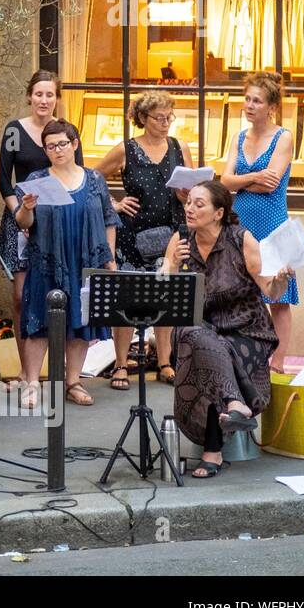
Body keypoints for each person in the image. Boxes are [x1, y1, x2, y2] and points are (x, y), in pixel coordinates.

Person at [160, 181, 293, 478]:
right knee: (197, 336)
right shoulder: (180, 240)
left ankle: (213, 452)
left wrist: (282, 278)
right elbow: (163, 299)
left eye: (199, 204)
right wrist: (171, 267)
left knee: (209, 351)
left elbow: (270, 289)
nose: (190, 209)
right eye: (188, 202)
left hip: (246, 330)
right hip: (197, 327)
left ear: (219, 212)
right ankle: (235, 403)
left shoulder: (241, 239)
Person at [15, 119, 119, 409]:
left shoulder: (95, 179)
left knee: (81, 322)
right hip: (48, 258)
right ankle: (32, 381)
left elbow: (110, 221)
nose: (57, 150)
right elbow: (23, 224)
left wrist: (108, 260)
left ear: (74, 144)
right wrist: (26, 207)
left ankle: (73, 380)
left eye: (62, 143)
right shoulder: (37, 179)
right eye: (50, 146)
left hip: (86, 259)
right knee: (40, 320)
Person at [96, 91, 193, 391]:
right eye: (159, 118)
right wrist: (114, 204)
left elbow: (192, 188)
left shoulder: (179, 147)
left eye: (169, 117)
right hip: (132, 234)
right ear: (142, 118)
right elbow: (93, 179)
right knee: (127, 298)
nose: (165, 123)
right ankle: (122, 363)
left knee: (166, 297)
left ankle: (165, 361)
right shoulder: (126, 149)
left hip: (170, 231)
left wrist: (186, 194)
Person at [221, 71, 297, 372]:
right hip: (240, 222)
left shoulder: (283, 137)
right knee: (244, 292)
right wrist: (251, 177)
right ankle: (248, 354)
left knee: (279, 296)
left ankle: (277, 361)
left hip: (272, 223)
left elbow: (271, 184)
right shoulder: (239, 137)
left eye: (257, 101)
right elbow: (225, 181)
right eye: (247, 99)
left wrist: (240, 182)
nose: (250, 105)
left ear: (271, 107)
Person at [0, 70, 84, 335]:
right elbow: (4, 180)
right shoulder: (15, 130)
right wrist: (19, 214)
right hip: (20, 215)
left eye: (49, 95)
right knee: (20, 296)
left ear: (57, 99)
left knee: (57, 293)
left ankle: (55, 364)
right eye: (38, 94)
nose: (44, 100)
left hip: (57, 219)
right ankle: (25, 367)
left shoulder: (66, 132)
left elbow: (78, 174)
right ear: (29, 97)